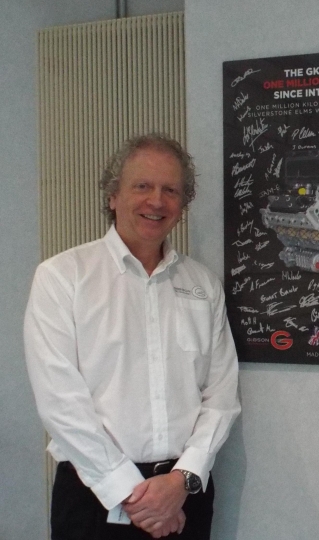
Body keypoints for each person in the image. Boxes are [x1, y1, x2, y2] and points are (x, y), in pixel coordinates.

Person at [24, 133, 241, 539]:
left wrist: (182, 482)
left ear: (182, 205)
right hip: (94, 496)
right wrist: (134, 496)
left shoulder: (204, 285)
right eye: (142, 186)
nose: (156, 201)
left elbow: (222, 396)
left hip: (186, 492)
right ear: (112, 196)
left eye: (170, 190)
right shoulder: (62, 278)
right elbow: (61, 402)